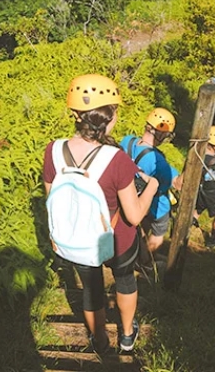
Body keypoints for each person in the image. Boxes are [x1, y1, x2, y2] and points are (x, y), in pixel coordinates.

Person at [42, 74, 158, 355]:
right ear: (111, 117)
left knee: (91, 289)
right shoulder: (116, 159)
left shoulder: (54, 150)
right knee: (125, 280)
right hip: (117, 239)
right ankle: (127, 336)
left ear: (75, 115)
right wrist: (151, 187)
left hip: (78, 239)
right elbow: (133, 215)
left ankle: (100, 340)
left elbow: (51, 199)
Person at [120, 108, 184, 256]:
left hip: (131, 197)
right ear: (160, 133)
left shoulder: (127, 141)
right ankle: (146, 261)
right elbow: (177, 184)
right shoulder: (158, 162)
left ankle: (138, 253)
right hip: (156, 206)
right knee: (157, 237)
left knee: (140, 228)